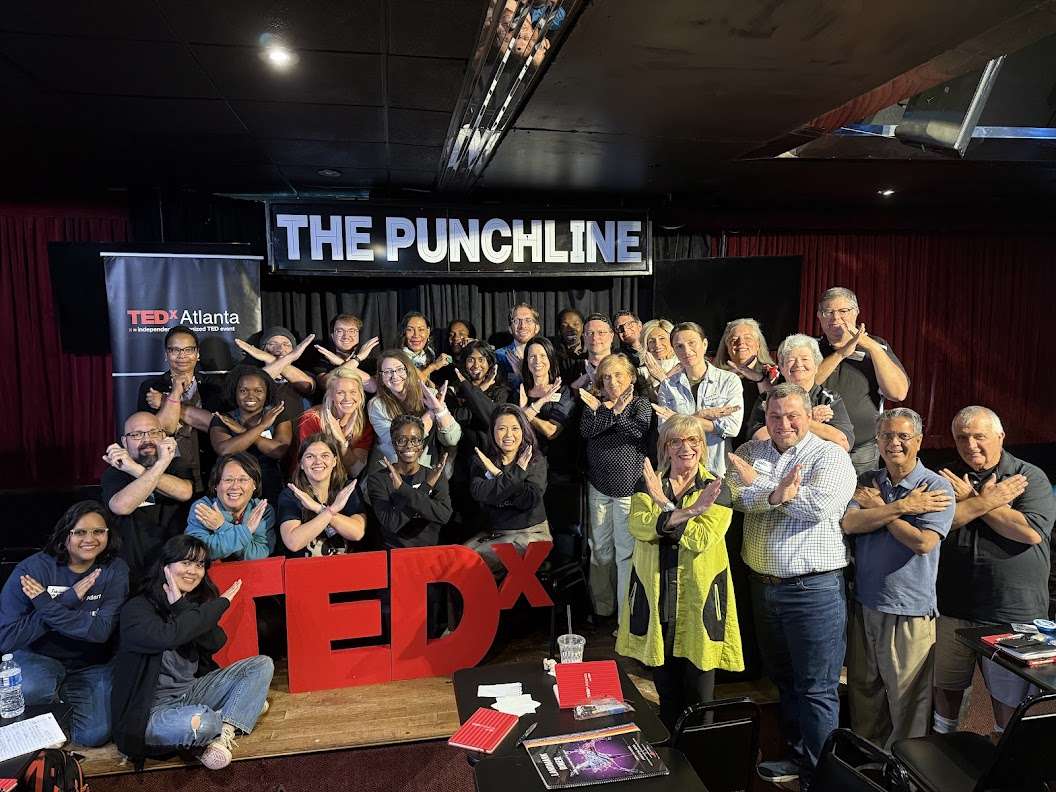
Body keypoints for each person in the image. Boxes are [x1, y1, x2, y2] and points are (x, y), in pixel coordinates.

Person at [727, 382, 857, 787]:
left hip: (813, 591)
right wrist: (777, 493)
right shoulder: (750, 452)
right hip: (763, 587)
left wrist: (762, 488)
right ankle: (799, 758)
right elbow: (735, 498)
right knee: (784, 682)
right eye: (774, 416)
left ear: (809, 415)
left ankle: (822, 779)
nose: (783, 423)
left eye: (792, 415)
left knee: (817, 689)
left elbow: (818, 508)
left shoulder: (830, 456)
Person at [932, 406, 1056, 733]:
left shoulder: (1028, 477)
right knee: (946, 686)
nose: (970, 445)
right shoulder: (945, 476)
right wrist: (988, 501)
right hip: (952, 606)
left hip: (1011, 609)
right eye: (962, 437)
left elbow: (1029, 531)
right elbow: (936, 524)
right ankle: (944, 744)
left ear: (1000, 437)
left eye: (979, 436)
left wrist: (971, 500)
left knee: (1008, 698)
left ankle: (1003, 753)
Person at [616, 414, 742, 730]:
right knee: (666, 693)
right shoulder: (648, 484)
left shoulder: (716, 487)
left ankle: (701, 753)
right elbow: (639, 526)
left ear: (702, 446)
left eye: (693, 440)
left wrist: (665, 508)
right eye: (676, 441)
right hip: (658, 601)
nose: (686, 448)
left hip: (699, 602)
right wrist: (688, 512)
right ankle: (671, 750)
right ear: (666, 447)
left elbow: (701, 538)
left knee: (700, 698)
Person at [841, 408, 954, 748]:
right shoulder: (868, 480)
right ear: (876, 441)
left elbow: (923, 543)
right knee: (864, 692)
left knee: (908, 701)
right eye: (886, 436)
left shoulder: (935, 486)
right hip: (865, 603)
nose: (894, 443)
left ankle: (905, 767)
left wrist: (880, 510)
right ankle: (870, 760)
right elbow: (850, 523)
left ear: (918, 441)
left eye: (903, 436)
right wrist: (901, 507)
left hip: (909, 610)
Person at [111, 534, 274, 770]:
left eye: (199, 565)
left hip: (192, 693)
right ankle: (240, 710)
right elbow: (168, 636)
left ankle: (226, 730)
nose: (193, 571)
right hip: (152, 711)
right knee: (203, 723)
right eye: (186, 562)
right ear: (166, 566)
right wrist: (217, 605)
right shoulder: (137, 609)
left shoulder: (189, 607)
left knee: (261, 665)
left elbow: (216, 641)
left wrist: (181, 606)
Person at [0, 502, 128, 747]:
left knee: (94, 736)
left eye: (98, 531)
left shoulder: (114, 570)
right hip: (39, 656)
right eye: (80, 532)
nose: (90, 539)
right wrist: (68, 600)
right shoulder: (32, 569)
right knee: (29, 688)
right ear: (65, 534)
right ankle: (50, 703)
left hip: (90, 663)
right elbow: (7, 638)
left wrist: (46, 604)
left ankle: (59, 703)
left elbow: (100, 632)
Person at [579, 354, 653, 622]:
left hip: (628, 490)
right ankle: (602, 609)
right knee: (600, 550)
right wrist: (610, 411)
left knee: (625, 554)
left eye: (618, 375)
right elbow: (587, 430)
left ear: (631, 377)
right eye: (606, 377)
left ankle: (624, 619)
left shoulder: (641, 404)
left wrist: (614, 413)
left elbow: (638, 431)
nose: (612, 381)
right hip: (599, 486)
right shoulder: (593, 404)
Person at [814, 287, 909, 473]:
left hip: (863, 449)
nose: (836, 318)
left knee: (862, 492)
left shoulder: (876, 345)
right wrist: (841, 353)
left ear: (856, 312)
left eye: (843, 311)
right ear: (819, 316)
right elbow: (805, 385)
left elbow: (898, 393)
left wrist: (871, 347)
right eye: (828, 312)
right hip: (820, 444)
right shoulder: (810, 346)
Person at [102, 412, 193, 582]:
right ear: (124, 442)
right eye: (137, 434)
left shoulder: (176, 465)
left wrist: (134, 469)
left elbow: (184, 492)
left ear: (163, 436)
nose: (147, 439)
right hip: (131, 572)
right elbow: (121, 507)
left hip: (175, 568)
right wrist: (159, 465)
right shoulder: (115, 472)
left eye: (154, 432)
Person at [138, 325, 224, 493]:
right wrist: (176, 393)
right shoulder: (151, 387)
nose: (182, 355)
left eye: (188, 350)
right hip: (169, 469)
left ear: (197, 354)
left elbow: (215, 425)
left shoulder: (215, 386)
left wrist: (165, 402)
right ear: (166, 354)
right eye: (175, 350)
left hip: (210, 468)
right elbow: (162, 429)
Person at [466, 405, 551, 575]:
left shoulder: (534, 460)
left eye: (514, 428)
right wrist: (514, 477)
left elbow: (528, 500)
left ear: (524, 431)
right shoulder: (483, 460)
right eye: (502, 429)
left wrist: (498, 475)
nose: (508, 435)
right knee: (457, 556)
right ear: (492, 432)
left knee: (471, 562)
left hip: (531, 534)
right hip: (496, 533)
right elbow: (480, 492)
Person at [656, 321, 742, 478]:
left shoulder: (729, 381)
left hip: (716, 469)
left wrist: (679, 419)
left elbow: (732, 427)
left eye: (692, 343)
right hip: (681, 471)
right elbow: (665, 430)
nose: (686, 351)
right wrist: (703, 415)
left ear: (704, 344)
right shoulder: (668, 386)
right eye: (679, 346)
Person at [747, 334, 854, 452]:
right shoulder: (768, 398)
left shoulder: (828, 399)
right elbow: (759, 437)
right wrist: (810, 420)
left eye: (805, 359)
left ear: (816, 365)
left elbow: (843, 442)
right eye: (791, 360)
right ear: (781, 367)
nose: (798, 364)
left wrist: (803, 422)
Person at [366, 415, 453, 550]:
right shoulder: (378, 479)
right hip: (394, 552)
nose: (409, 446)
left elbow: (443, 516)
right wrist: (426, 487)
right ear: (394, 444)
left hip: (429, 552)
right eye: (401, 440)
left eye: (415, 440)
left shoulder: (435, 476)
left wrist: (403, 489)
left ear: (422, 444)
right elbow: (391, 523)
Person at [449, 341, 510, 533]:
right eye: (471, 360)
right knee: (465, 519)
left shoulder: (500, 391)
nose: (476, 365)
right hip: (461, 463)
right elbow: (457, 417)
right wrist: (480, 389)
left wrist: (471, 392)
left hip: (490, 460)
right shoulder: (454, 389)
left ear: (490, 363)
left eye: (481, 359)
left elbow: (491, 418)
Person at [209, 366, 292, 506]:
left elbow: (278, 451)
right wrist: (261, 426)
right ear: (235, 392)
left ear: (267, 393)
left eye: (258, 391)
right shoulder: (223, 419)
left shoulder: (277, 415)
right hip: (233, 486)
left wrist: (242, 431)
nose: (250, 396)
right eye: (243, 390)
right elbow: (225, 450)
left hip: (270, 483)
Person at [368, 349, 462, 467]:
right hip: (393, 469)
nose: (394, 376)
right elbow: (401, 443)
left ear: (409, 371)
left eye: (400, 369)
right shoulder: (376, 405)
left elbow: (452, 439)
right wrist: (431, 412)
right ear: (381, 377)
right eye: (387, 372)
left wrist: (439, 410)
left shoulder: (430, 395)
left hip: (427, 468)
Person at [278, 434, 366, 556]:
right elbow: (293, 543)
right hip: (306, 567)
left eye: (325, 456)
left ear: (334, 461)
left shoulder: (347, 489)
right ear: (301, 464)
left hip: (345, 565)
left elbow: (357, 533)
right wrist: (330, 512)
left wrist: (319, 509)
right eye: (310, 456)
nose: (318, 461)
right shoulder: (292, 495)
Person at [185, 453, 276, 561]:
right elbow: (201, 552)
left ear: (254, 485)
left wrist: (221, 526)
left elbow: (258, 554)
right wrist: (246, 531)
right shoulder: (203, 508)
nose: (235, 486)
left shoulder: (262, 510)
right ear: (216, 485)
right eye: (228, 480)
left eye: (243, 480)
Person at [295, 367, 374, 479]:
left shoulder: (363, 423)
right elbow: (313, 467)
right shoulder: (311, 419)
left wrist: (341, 441)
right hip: (311, 480)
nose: (347, 398)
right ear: (331, 395)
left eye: (353, 392)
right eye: (340, 393)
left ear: (360, 395)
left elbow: (356, 470)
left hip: (346, 481)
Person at [713, 318, 778, 449]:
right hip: (722, 446)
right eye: (734, 339)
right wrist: (728, 377)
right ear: (727, 347)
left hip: (761, 447)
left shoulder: (772, 373)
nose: (741, 343)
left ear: (758, 344)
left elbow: (776, 404)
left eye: (748, 338)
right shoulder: (714, 376)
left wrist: (759, 378)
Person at [234, 327, 317, 405]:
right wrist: (289, 357)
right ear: (262, 349)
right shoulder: (246, 375)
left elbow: (308, 386)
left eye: (286, 344)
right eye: (272, 344)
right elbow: (252, 387)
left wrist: (268, 358)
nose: (280, 348)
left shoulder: (305, 373)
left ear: (294, 350)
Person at [311, 312, 380, 393]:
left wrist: (341, 363)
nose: (346, 336)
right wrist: (358, 359)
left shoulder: (371, 360)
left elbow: (373, 387)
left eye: (352, 331)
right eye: (340, 331)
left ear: (359, 335)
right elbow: (327, 383)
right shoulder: (322, 360)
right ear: (332, 336)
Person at [496, 303, 541, 389]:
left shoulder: (547, 355)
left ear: (537, 328)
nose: (522, 326)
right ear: (510, 329)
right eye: (516, 321)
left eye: (528, 320)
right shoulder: (499, 356)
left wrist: (521, 372)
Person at [399, 311, 451, 383]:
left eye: (421, 329)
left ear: (428, 331)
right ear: (404, 332)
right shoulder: (398, 357)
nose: (416, 335)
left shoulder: (430, 353)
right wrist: (433, 366)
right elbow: (414, 384)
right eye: (410, 330)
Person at [638, 319, 680, 390]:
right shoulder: (642, 372)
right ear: (646, 345)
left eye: (662, 338)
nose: (657, 344)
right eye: (651, 341)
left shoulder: (684, 364)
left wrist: (661, 377)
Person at [551, 307, 585, 382]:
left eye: (576, 324)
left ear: (583, 326)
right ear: (560, 329)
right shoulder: (551, 348)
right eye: (564, 325)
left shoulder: (591, 347)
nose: (570, 329)